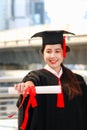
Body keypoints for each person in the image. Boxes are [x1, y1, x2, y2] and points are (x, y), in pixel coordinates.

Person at [14, 30, 87, 130]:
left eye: (57, 51)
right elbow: (30, 81)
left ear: (63, 52)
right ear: (43, 53)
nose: (53, 56)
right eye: (48, 51)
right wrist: (27, 85)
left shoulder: (78, 80)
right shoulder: (37, 77)